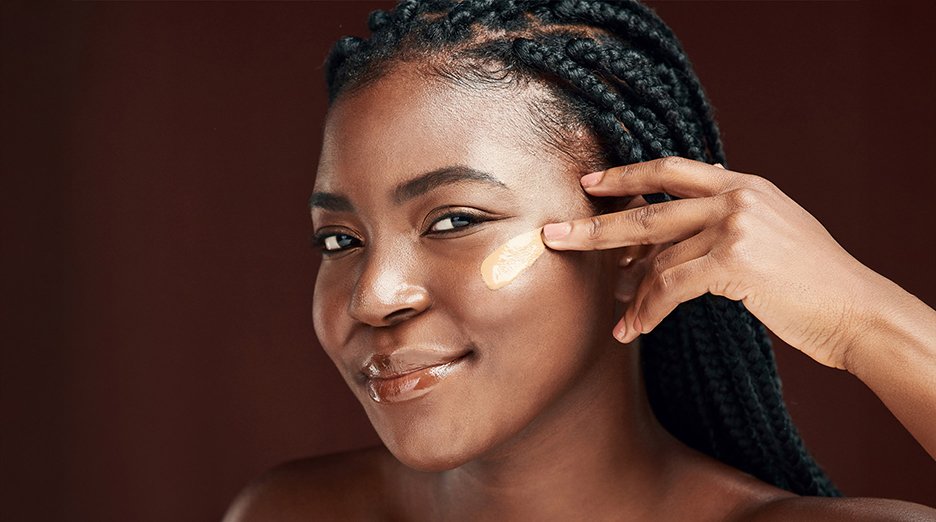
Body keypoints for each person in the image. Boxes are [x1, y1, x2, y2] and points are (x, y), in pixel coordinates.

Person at [224, 1, 936, 520]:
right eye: (339, 240)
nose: (372, 298)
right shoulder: (292, 511)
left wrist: (865, 321)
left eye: (455, 220)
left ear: (632, 243)